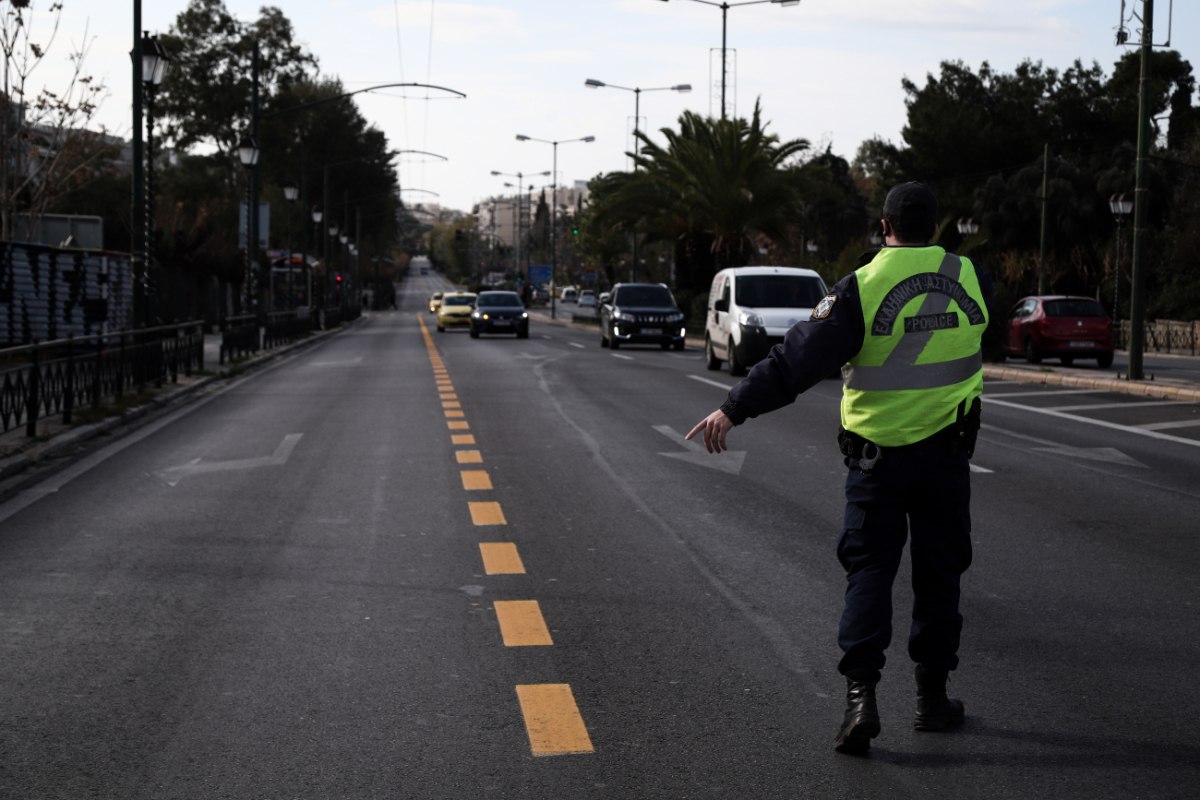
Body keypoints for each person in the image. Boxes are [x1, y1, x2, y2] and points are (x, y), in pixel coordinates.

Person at [686, 182, 990, 756]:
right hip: (948, 459)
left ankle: (861, 701)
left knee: (870, 574)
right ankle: (931, 701)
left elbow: (797, 359)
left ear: (885, 226)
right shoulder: (970, 276)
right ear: (936, 225)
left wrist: (733, 407)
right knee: (940, 575)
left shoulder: (863, 287)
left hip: (879, 462)